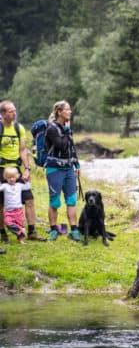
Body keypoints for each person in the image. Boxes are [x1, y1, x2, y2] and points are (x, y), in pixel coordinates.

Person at [0, 100, 46, 242]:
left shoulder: (18, 128)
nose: (14, 113)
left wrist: (27, 169)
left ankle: (32, 231)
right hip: (1, 168)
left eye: (15, 110)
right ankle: (3, 234)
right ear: (3, 114)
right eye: (10, 111)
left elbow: (23, 150)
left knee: (29, 198)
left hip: (16, 169)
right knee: (1, 203)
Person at [44, 101, 81, 242]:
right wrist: (66, 131)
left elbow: (71, 148)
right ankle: (53, 230)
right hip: (54, 169)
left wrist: (77, 164)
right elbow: (61, 146)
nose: (70, 112)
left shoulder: (67, 128)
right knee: (54, 201)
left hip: (68, 169)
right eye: (67, 109)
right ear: (59, 112)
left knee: (71, 200)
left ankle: (74, 230)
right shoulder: (51, 128)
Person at [0, 167, 32, 243]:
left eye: (13, 177)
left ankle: (21, 239)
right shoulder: (5, 186)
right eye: (9, 177)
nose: (11, 179)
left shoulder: (19, 185)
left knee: (19, 224)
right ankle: (20, 231)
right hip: (9, 211)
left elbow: (27, 187)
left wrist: (27, 181)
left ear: (17, 177)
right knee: (7, 222)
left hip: (19, 211)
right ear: (5, 178)